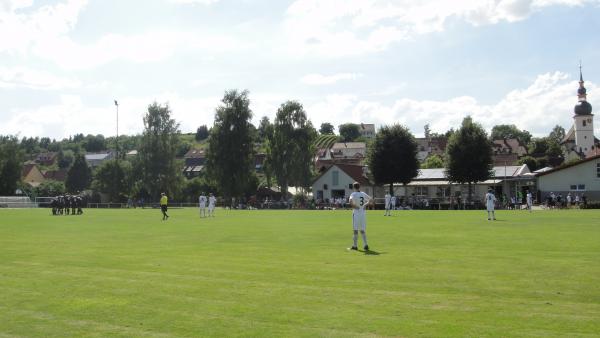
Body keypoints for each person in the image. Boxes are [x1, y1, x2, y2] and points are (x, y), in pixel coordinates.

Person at [348, 182, 372, 251]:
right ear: (359, 187)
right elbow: (371, 200)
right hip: (363, 214)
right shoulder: (363, 193)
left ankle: (355, 246)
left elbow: (350, 201)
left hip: (356, 213)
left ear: (354, 187)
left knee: (355, 230)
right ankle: (365, 244)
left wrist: (355, 206)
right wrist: (365, 205)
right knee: (362, 230)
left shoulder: (353, 194)